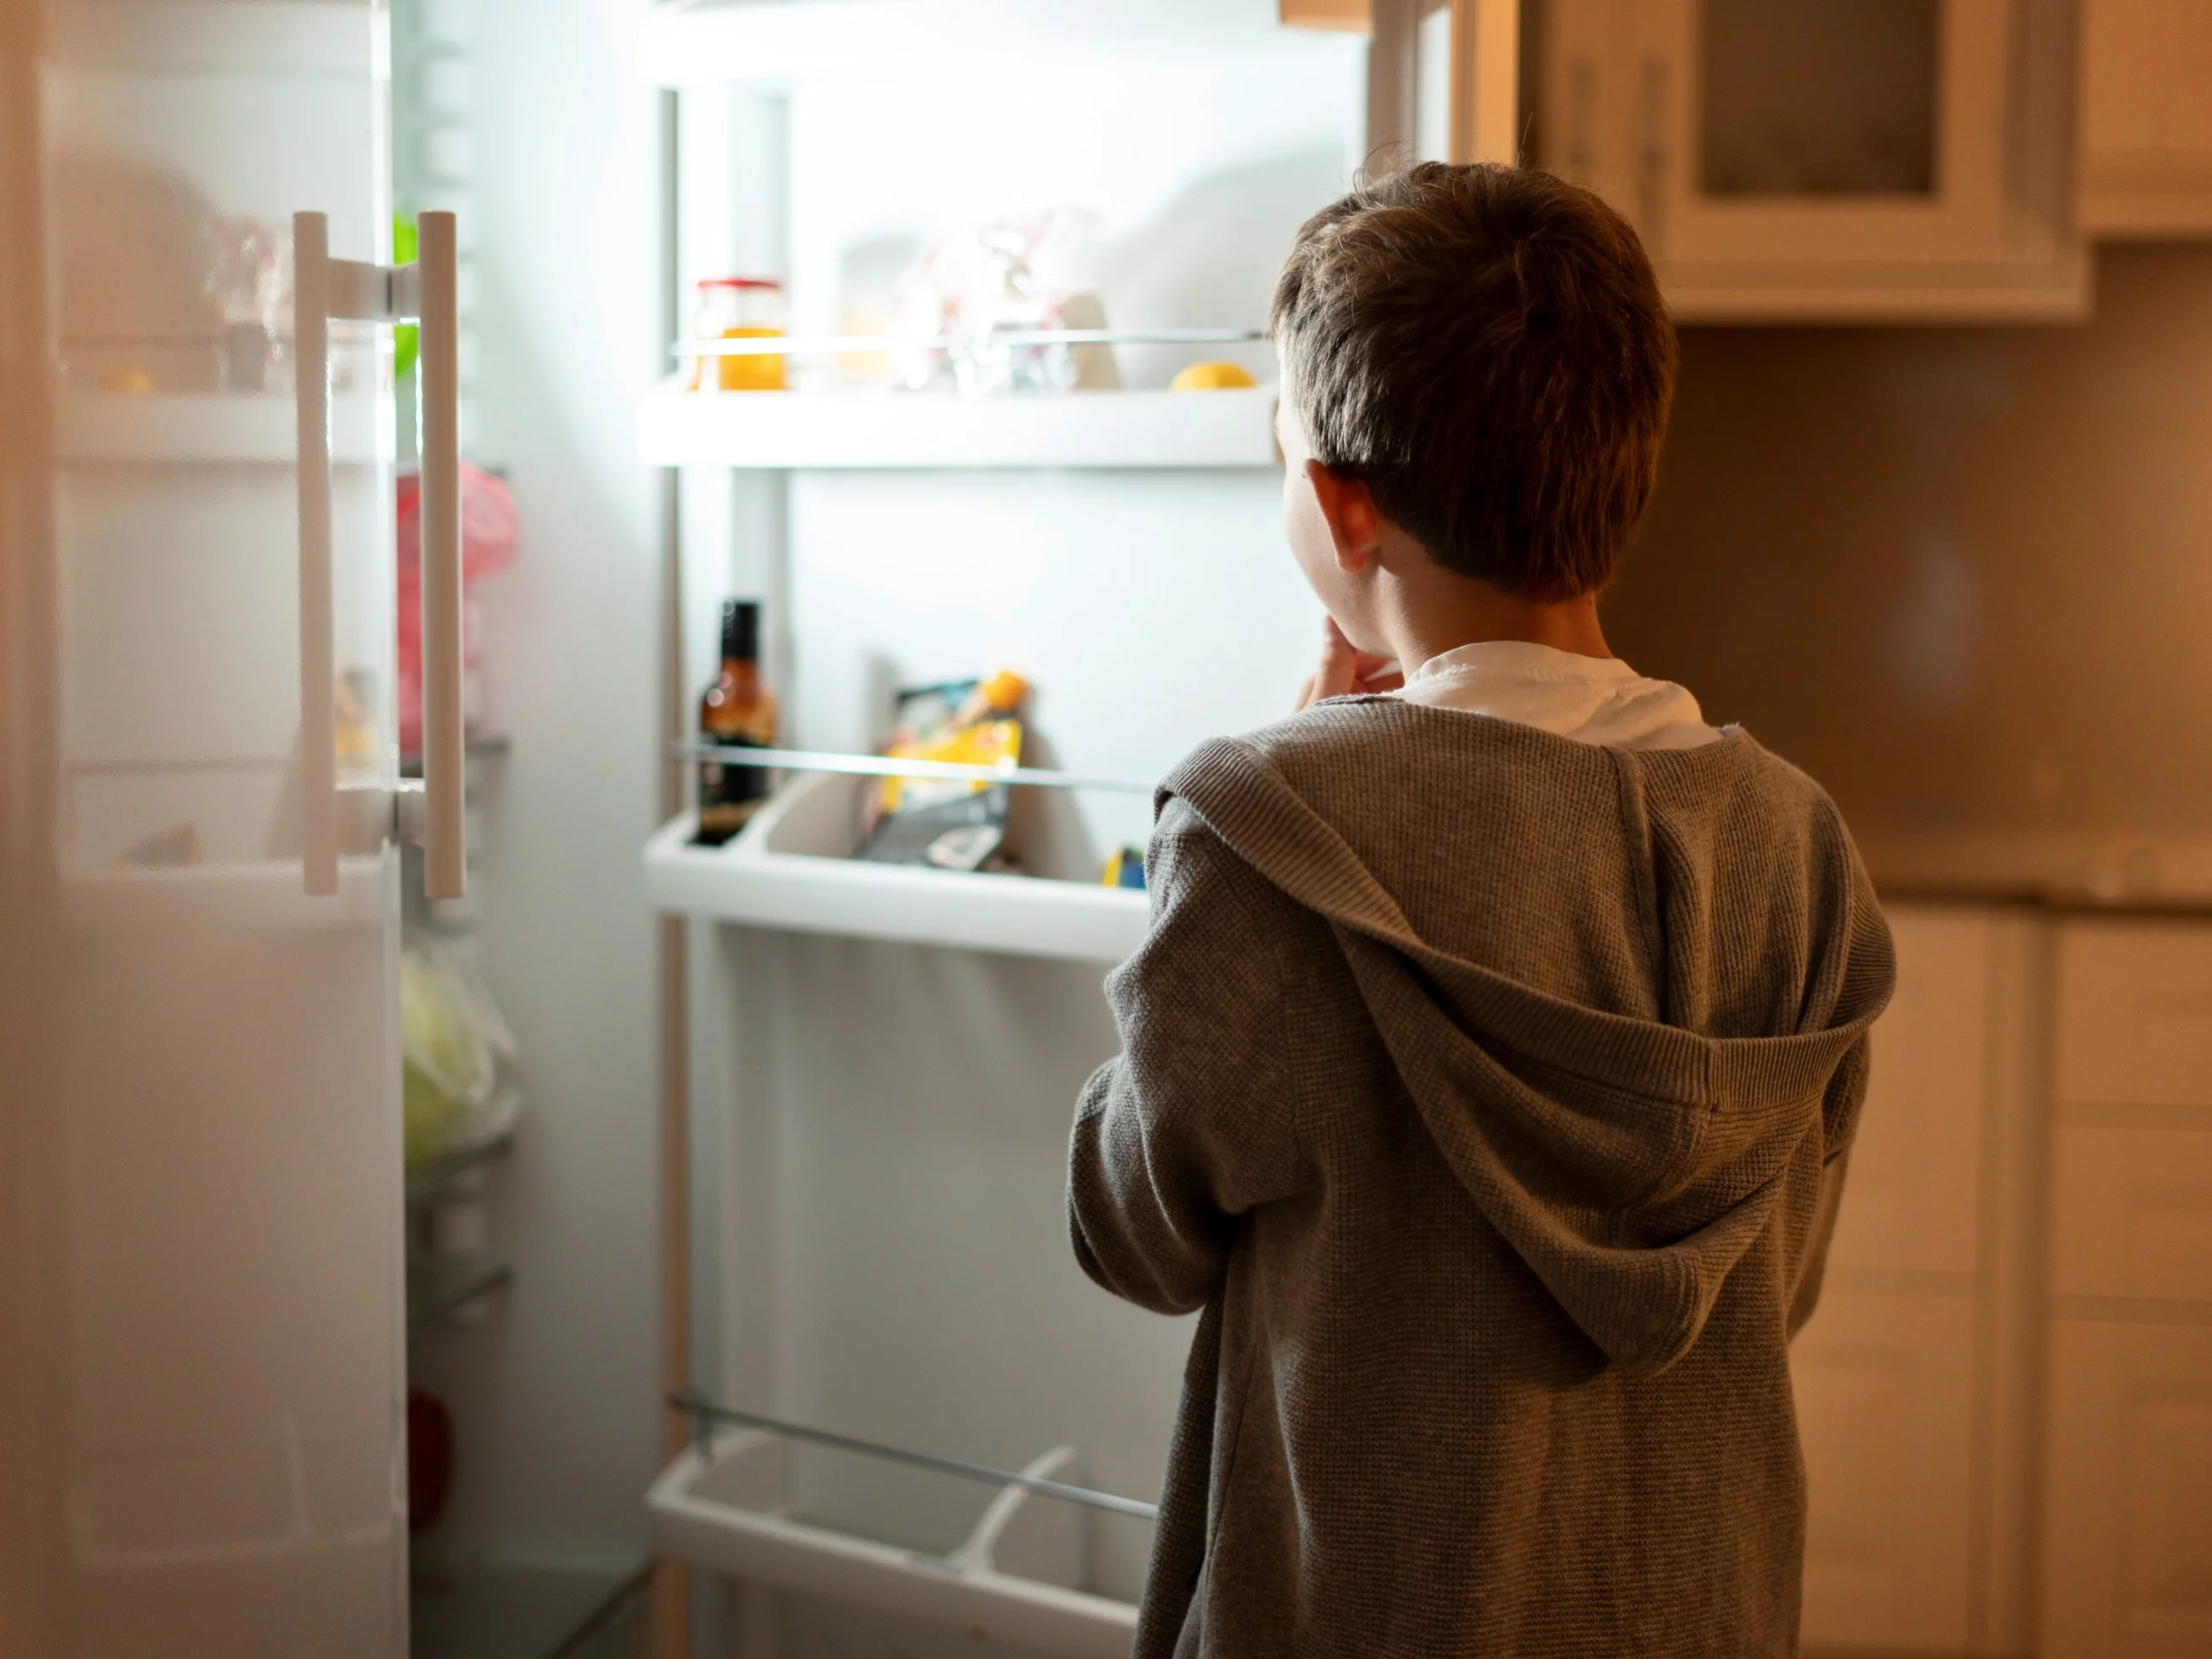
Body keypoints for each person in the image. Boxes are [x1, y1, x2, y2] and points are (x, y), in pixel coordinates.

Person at [1065, 162, 1896, 1657]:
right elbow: (1780, 1278)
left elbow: (1137, 1228)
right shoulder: (1800, 843)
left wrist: (1291, 770)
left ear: (1341, 500)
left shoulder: (1269, 840)